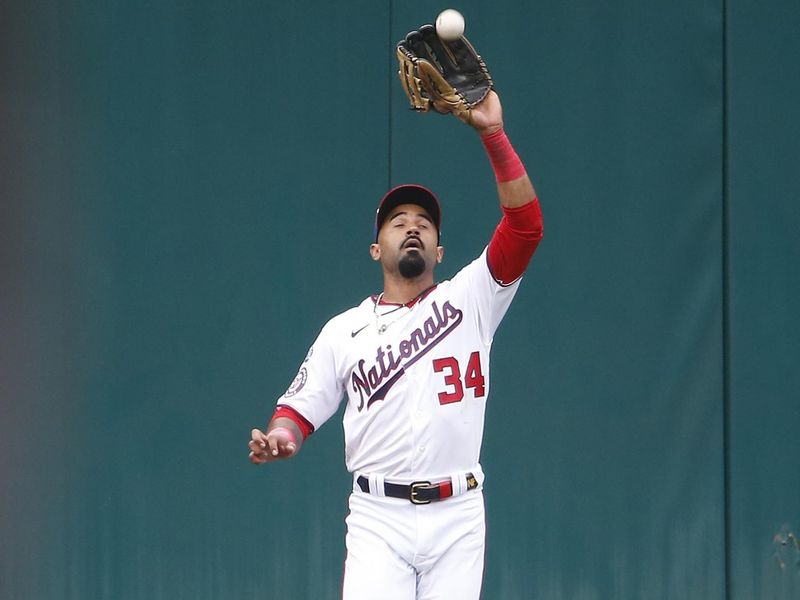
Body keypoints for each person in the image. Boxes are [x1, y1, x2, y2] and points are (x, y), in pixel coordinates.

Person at [248, 89, 543, 599]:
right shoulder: (344, 330)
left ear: (440, 250)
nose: (412, 228)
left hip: (458, 515)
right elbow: (296, 412)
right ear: (375, 248)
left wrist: (492, 134)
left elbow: (525, 227)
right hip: (378, 516)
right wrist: (283, 438)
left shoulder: (473, 298)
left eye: (424, 224)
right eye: (398, 222)